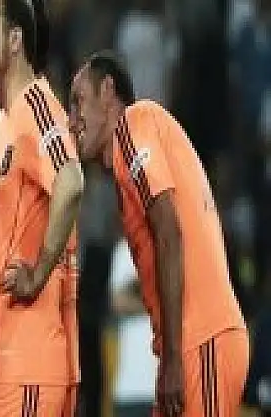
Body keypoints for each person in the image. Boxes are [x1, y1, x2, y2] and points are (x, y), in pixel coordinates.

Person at [68, 50, 249, 417]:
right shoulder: (127, 168)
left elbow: (169, 231)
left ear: (108, 91)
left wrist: (172, 360)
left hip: (202, 342)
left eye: (78, 102)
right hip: (190, 347)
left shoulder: (135, 122)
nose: (72, 121)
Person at [0, 0, 84, 414]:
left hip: (26, 363)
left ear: (15, 39)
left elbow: (71, 181)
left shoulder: (37, 106)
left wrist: (37, 273)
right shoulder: (6, 120)